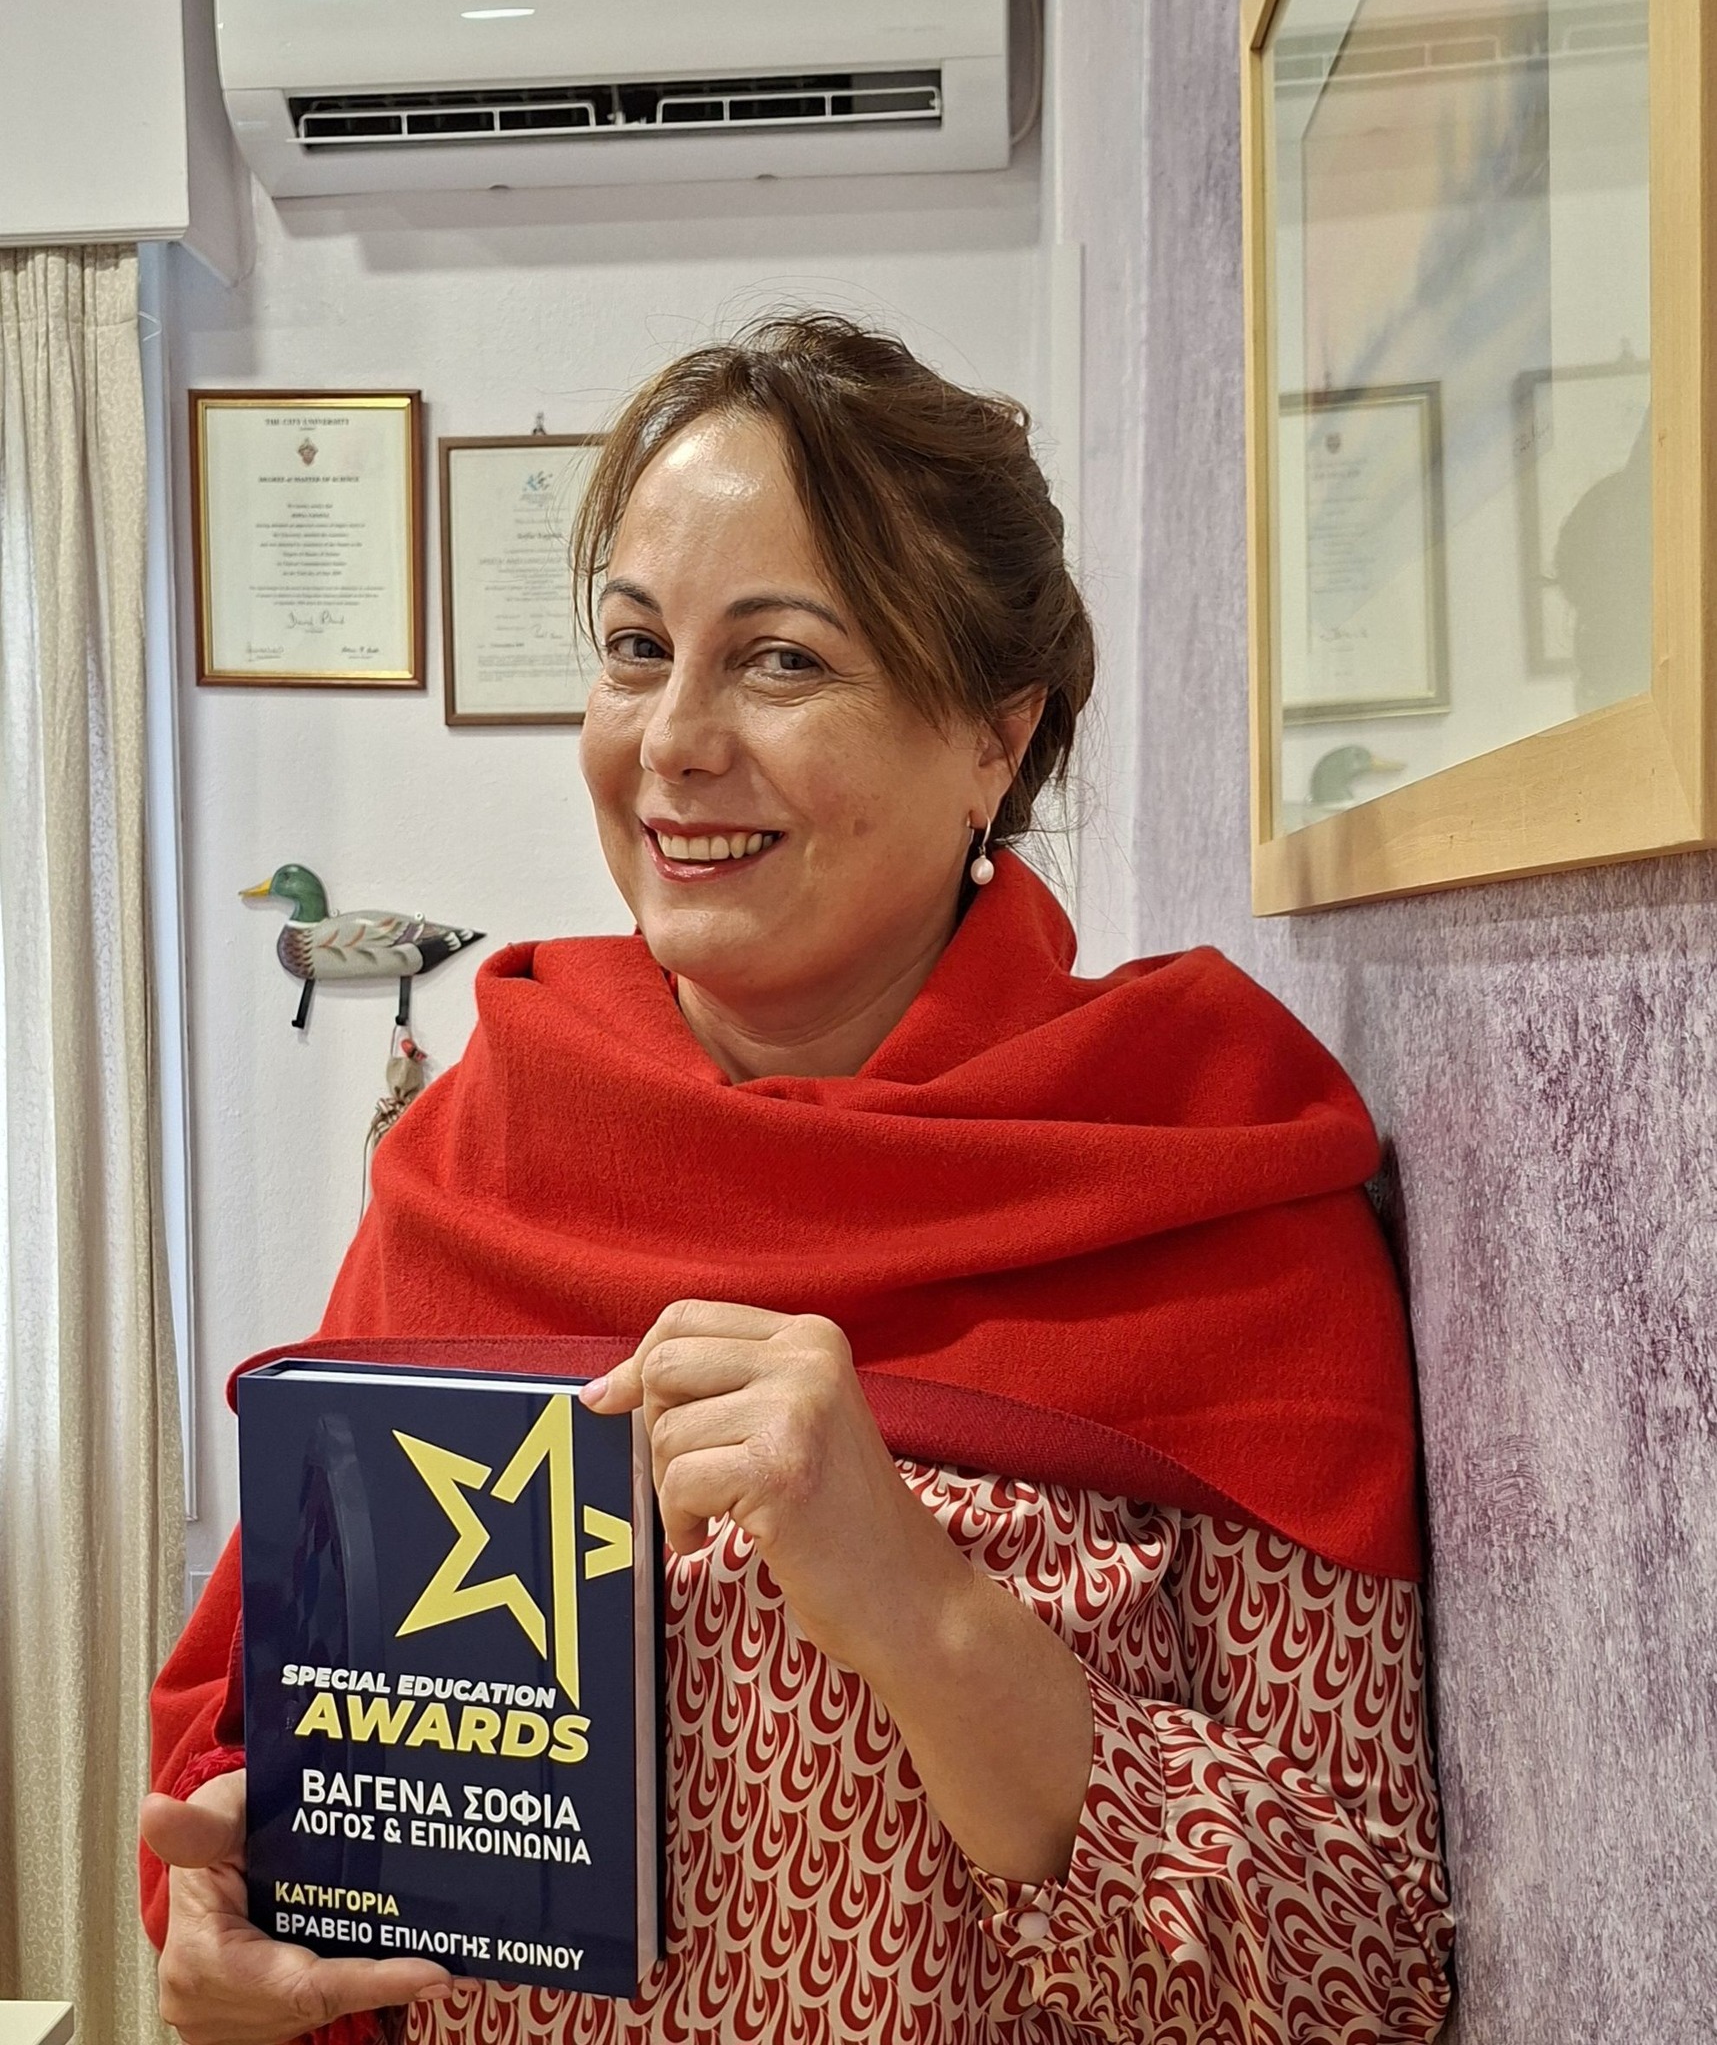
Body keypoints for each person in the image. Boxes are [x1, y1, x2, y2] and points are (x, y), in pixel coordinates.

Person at [140, 314, 1453, 2045]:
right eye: (635, 648)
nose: (672, 741)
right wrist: (229, 1933)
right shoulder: (483, 1145)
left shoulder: (1200, 1172)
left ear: (994, 734)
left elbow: (1362, 1969)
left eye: (780, 661)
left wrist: (921, 1609)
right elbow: (259, 1740)